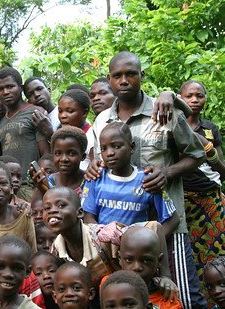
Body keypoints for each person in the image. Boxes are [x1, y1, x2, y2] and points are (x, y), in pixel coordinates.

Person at [88, 51, 206, 309]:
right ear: (109, 79)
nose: (124, 80)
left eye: (130, 73)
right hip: (121, 235)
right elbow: (98, 165)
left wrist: (167, 172)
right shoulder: (101, 120)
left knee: (183, 296)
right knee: (130, 299)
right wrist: (93, 167)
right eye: (117, 76)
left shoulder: (163, 110)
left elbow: (197, 155)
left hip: (167, 225)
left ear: (141, 75)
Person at [43, 187, 176, 294]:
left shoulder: (106, 235)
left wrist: (165, 276)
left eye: (61, 205)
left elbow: (155, 227)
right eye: (47, 208)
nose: (52, 211)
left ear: (80, 213)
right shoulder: (55, 250)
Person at [82, 122, 180, 239]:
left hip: (136, 253)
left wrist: (150, 243)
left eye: (117, 146)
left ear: (132, 147)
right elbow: (88, 217)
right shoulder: (96, 178)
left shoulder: (146, 180)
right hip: (103, 250)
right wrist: (103, 239)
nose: (109, 153)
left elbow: (173, 220)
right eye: (103, 149)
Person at [178, 80, 225, 287]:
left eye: (199, 95)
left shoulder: (210, 129)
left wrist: (208, 150)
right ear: (180, 99)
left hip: (211, 202)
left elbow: (221, 170)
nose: (195, 100)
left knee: (216, 252)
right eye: (189, 96)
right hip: (183, 203)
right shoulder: (172, 127)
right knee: (186, 255)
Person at [0, 67, 49, 200]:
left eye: (10, 86)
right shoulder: (1, 121)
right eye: (1, 89)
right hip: (9, 188)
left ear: (20, 88)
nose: (5, 92)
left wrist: (40, 185)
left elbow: (45, 153)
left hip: (31, 186)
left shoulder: (35, 112)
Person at [116, 227, 183, 308]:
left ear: (159, 261)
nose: (136, 267)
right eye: (129, 259)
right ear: (120, 258)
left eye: (146, 261)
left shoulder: (167, 300)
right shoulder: (108, 287)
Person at [32, 126, 87, 198]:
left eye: (71, 153)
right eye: (58, 153)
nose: (64, 159)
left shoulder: (89, 181)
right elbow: (36, 207)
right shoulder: (48, 182)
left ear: (83, 156)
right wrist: (42, 190)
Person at [58, 88, 93, 171]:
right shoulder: (61, 135)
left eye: (69, 111)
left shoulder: (91, 136)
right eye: (60, 111)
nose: (63, 115)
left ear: (84, 113)